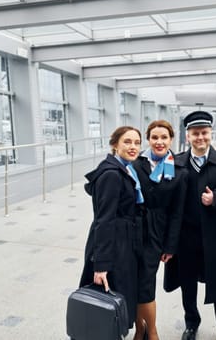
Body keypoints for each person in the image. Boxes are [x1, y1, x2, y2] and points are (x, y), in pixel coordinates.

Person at [164, 111, 216, 340]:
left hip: (215, 235)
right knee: (188, 282)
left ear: (211, 134)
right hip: (185, 236)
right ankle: (191, 324)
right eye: (195, 133)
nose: (200, 137)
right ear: (187, 136)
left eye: (204, 133)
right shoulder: (177, 162)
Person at [79, 126, 145, 332]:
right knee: (105, 309)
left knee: (114, 308)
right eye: (127, 142)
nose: (133, 147)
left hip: (122, 243)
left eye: (136, 142)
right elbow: (104, 220)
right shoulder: (112, 175)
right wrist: (101, 265)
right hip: (112, 248)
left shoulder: (126, 169)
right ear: (115, 144)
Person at [132, 120, 188, 340]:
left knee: (145, 283)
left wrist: (170, 245)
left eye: (164, 137)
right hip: (133, 230)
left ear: (171, 139)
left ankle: (151, 331)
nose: (159, 142)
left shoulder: (179, 172)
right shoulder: (136, 163)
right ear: (148, 139)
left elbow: (177, 212)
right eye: (154, 137)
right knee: (132, 281)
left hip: (157, 234)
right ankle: (139, 329)